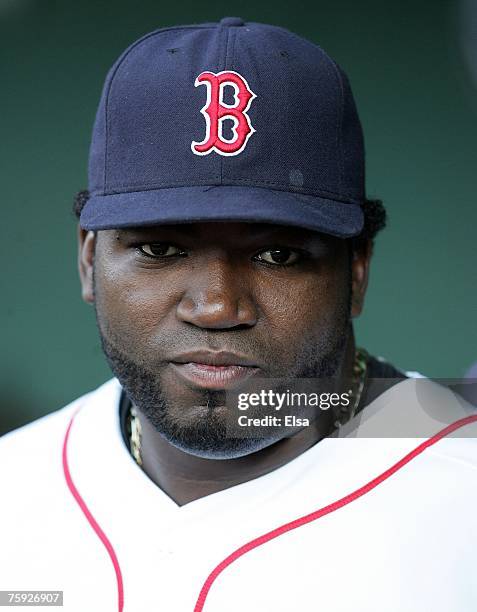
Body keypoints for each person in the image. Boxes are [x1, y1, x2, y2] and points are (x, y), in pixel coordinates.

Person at [1, 17, 476, 612]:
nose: (218, 307)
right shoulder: (11, 488)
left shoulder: (464, 500)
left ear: (356, 270)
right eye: (160, 249)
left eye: (278, 254)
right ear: (88, 258)